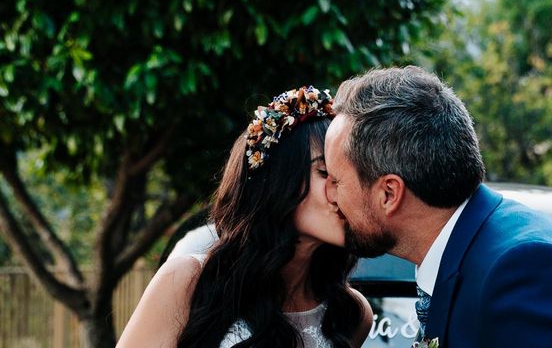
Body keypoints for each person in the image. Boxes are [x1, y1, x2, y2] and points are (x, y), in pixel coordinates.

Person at [324, 66, 552, 348]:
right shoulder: (473, 249)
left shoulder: (523, 273)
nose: (330, 195)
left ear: (389, 193)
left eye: (336, 180)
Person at [118, 86, 373, 348]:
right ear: (277, 180)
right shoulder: (188, 282)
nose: (342, 191)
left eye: (347, 177)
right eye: (324, 172)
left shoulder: (351, 314)